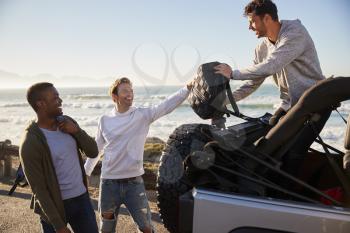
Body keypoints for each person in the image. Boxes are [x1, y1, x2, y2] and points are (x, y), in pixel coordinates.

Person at [214, 0, 331, 155]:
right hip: (289, 105)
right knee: (267, 144)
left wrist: (233, 74)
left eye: (252, 22)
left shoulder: (295, 33)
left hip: (315, 102)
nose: (249, 27)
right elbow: (253, 83)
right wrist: (224, 100)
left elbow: (272, 64)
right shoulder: (261, 49)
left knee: (293, 152)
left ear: (267, 18)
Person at [84, 77, 193, 233]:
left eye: (131, 90)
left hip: (134, 184)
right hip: (108, 183)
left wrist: (187, 88)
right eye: (125, 91)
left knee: (146, 228)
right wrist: (85, 172)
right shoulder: (105, 119)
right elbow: (96, 149)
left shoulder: (141, 115)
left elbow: (166, 105)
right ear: (114, 96)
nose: (129, 94)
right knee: (106, 228)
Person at [19, 82, 99, 233]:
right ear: (41, 104)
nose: (60, 101)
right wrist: (59, 226)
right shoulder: (30, 142)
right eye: (55, 98)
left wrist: (76, 131)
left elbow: (93, 152)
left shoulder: (66, 122)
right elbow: (39, 189)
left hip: (82, 200)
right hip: (54, 206)